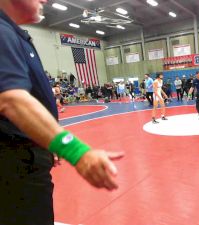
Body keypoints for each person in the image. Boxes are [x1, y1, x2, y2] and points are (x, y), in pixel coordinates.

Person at [0, 1, 124, 224]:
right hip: (14, 168)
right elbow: (10, 100)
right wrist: (77, 152)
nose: (45, 0)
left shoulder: (15, 35)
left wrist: (45, 142)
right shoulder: (2, 31)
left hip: (26, 159)